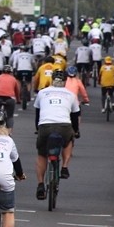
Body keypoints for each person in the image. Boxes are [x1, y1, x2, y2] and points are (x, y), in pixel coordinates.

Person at [33, 69, 80, 198]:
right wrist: (75, 131)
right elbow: (75, 116)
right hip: (64, 126)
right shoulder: (70, 95)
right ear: (65, 81)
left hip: (45, 126)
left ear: (52, 80)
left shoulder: (42, 93)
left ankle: (41, 184)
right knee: (68, 141)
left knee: (42, 154)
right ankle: (64, 167)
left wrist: (38, 128)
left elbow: (37, 114)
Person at [0, 65, 20, 129]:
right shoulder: (13, 79)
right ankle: (10, 132)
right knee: (10, 116)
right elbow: (17, 91)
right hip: (10, 99)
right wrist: (18, 100)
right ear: (11, 72)